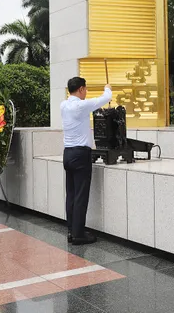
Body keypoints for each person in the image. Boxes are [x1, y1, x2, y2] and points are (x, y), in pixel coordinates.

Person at [61, 77, 112, 245]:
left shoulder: (64, 105)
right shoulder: (80, 106)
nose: (86, 92)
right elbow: (104, 100)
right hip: (80, 155)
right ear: (81, 89)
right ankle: (78, 234)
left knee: (72, 194)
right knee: (81, 195)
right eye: (86, 89)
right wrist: (107, 89)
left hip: (67, 154)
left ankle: (71, 230)